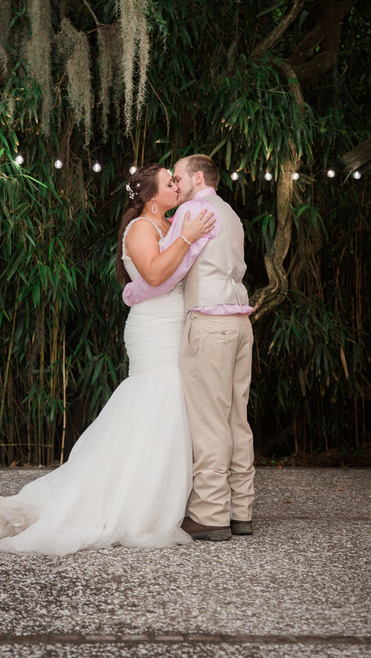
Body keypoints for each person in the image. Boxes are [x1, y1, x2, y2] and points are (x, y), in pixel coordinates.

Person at [0, 163, 216, 556]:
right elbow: (151, 274)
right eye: (170, 182)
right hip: (153, 329)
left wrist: (183, 238)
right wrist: (185, 238)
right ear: (153, 197)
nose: (176, 185)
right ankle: (128, 502)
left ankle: (151, 492)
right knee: (157, 397)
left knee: (167, 405)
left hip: (173, 325)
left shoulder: (170, 226)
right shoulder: (141, 229)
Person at [123, 154, 255, 541]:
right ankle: (241, 510)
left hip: (209, 324)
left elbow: (168, 275)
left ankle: (211, 515)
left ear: (197, 178)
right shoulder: (229, 212)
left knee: (210, 420)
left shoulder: (192, 212)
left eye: (178, 178)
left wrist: (134, 290)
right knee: (236, 419)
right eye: (170, 182)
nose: (176, 186)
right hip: (240, 321)